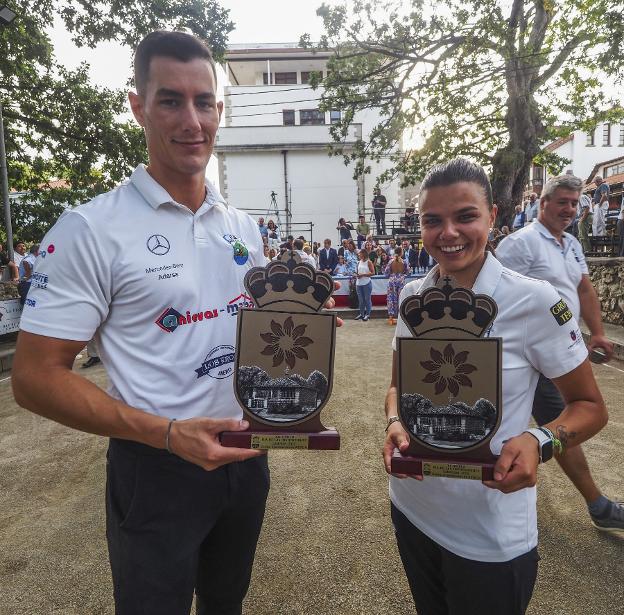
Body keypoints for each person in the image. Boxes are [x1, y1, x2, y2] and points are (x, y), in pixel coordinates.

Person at [12, 31, 274, 615]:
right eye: (170, 100)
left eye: (203, 102)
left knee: (226, 604)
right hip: (155, 466)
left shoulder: (245, 229)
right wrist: (165, 433)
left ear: (219, 111)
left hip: (246, 455)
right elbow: (32, 377)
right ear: (138, 105)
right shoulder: (90, 228)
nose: (191, 120)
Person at [384, 158, 607, 615]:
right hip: (413, 506)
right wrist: (392, 420)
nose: (448, 232)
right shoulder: (411, 297)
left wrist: (539, 439)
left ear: (493, 216)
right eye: (432, 220)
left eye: (465, 216)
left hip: (490, 528)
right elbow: (396, 388)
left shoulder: (535, 300)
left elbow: (589, 406)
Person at [497, 174, 622, 532]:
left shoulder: (571, 244)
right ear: (543, 203)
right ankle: (597, 503)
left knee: (554, 423)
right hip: (528, 353)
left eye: (574, 203)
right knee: (563, 422)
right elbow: (494, 297)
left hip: (562, 349)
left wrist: (596, 333)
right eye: (563, 201)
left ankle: (595, 503)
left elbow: (583, 288)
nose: (569, 209)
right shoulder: (520, 244)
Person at [384, 246, 408, 325]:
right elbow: (408, 272)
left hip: (392, 281)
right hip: (400, 280)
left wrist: (391, 274)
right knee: (400, 298)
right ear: (401, 253)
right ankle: (401, 317)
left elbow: (386, 272)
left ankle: (391, 318)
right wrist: (402, 274)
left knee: (391, 299)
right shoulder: (404, 262)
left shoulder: (391, 261)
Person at [354, 248, 374, 321]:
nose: (359, 254)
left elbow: (372, 273)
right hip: (358, 284)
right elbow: (356, 272)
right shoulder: (358, 262)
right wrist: (356, 275)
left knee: (367, 299)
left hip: (366, 283)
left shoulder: (369, 262)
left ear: (363, 254)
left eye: (360, 253)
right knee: (361, 300)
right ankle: (361, 314)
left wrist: (363, 275)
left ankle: (368, 314)